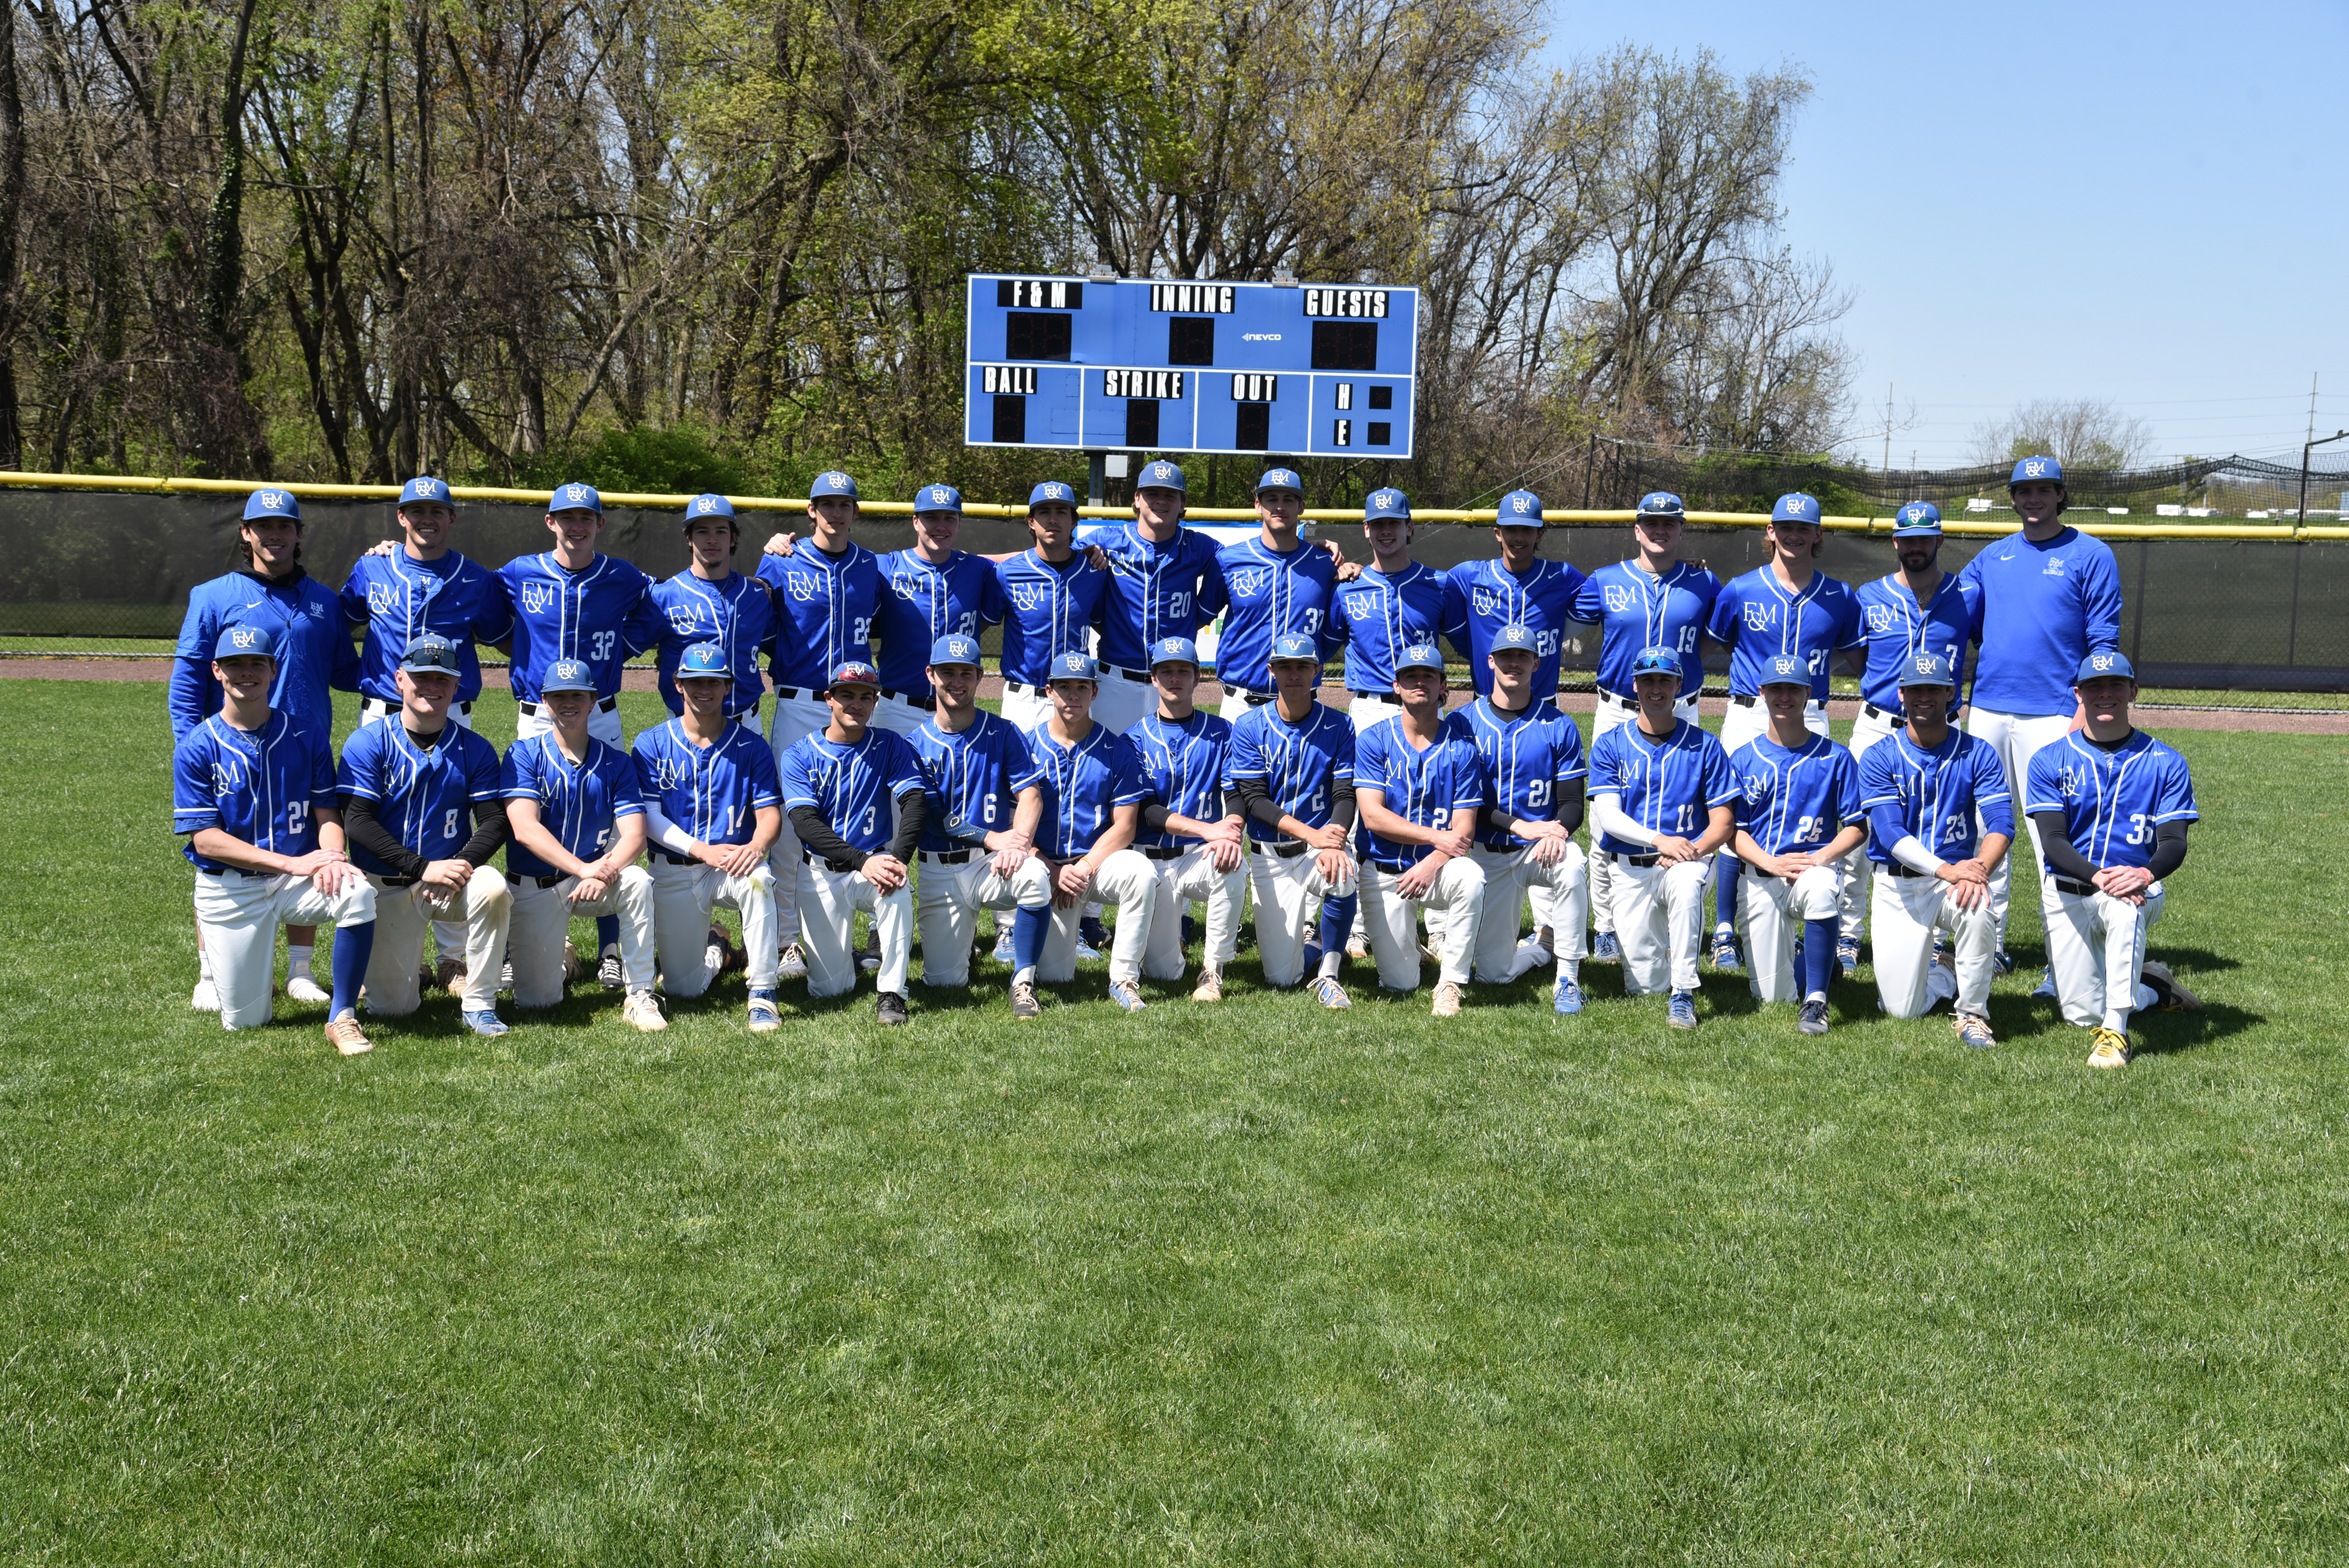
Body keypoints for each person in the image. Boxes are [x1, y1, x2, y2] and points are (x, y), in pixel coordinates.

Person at [172, 486, 362, 1010]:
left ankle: (301, 970)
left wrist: (411, 668)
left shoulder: (323, 600)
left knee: (306, 846)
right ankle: (210, 971)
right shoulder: (213, 594)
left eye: (285, 525)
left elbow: (347, 670)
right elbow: (189, 678)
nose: (275, 534)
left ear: (299, 533)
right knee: (219, 851)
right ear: (246, 533)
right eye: (264, 525)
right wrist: (191, 746)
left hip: (303, 747)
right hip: (232, 747)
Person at [342, 476, 518, 992]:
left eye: (436, 511)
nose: (426, 518)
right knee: (377, 815)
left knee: (456, 820)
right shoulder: (371, 566)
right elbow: (342, 620)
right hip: (381, 711)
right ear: (400, 517)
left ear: (451, 518)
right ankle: (389, 937)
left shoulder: (476, 578)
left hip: (451, 709)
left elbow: (507, 638)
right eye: (416, 510)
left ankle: (453, 957)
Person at [173, 623, 377, 1055]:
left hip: (294, 883)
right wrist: (293, 863)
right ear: (216, 670)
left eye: (256, 664)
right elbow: (206, 840)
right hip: (231, 888)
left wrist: (334, 855)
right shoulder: (197, 745)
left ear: (272, 668)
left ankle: (342, 1016)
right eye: (234, 664)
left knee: (357, 892)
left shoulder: (305, 733)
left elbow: (327, 811)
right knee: (247, 1020)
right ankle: (238, 978)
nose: (246, 672)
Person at [1960, 454, 2127, 969]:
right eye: (2023, 491)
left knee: (2051, 837)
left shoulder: (2091, 553)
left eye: (2044, 489)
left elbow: (2103, 640)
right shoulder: (1992, 557)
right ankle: (1993, 945)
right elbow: (1957, 617)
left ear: (2060, 495)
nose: (2033, 498)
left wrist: (2082, 706)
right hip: (1987, 708)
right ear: (2012, 499)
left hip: (2054, 711)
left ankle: (2066, 960)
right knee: (1988, 828)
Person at [1701, 491, 1864, 975]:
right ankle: (1726, 930)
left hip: (1811, 711)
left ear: (1818, 535)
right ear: (1769, 531)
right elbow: (1708, 645)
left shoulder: (1839, 595)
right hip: (1749, 711)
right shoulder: (1739, 589)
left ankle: (1812, 918)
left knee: (1811, 816)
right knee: (1735, 816)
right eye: (1784, 526)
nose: (1793, 534)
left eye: (1803, 527)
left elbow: (1861, 661)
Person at [2023, 651, 2202, 1069]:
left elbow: (2174, 841)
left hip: (2137, 886)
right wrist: (2098, 875)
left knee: (2125, 908)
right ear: (2079, 694)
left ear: (2132, 691)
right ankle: (2154, 986)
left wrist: (2143, 873)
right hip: (2068, 890)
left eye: (2115, 684)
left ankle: (2116, 1035)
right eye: (2094, 686)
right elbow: (2052, 840)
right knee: (2079, 1013)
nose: (2105, 693)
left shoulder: (2166, 762)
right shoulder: (2050, 759)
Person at [1570, 490, 1722, 964]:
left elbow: (1722, 631)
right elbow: (1568, 619)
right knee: (1604, 822)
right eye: (1650, 523)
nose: (1659, 530)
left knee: (1690, 815)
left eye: (1669, 523)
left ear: (1681, 530)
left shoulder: (1704, 583)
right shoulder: (1604, 580)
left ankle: (1679, 911)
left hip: (1685, 707)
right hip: (1618, 708)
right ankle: (1607, 925)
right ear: (1636, 529)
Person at [335, 634, 514, 1035]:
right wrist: (422, 868)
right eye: (421, 676)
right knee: (393, 1009)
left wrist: (461, 866)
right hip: (388, 885)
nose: (431, 686)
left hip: (449, 883)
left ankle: (480, 1004)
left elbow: (495, 821)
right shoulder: (368, 742)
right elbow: (357, 821)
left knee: (493, 887)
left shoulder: (475, 748)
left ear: (456, 685)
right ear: (400, 678)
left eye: (442, 678)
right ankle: (406, 969)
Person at [752, 471, 883, 981]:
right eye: (825, 504)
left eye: (843, 503)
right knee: (787, 824)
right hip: (799, 703)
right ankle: (788, 940)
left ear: (855, 511)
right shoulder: (780, 559)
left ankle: (873, 924)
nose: (835, 512)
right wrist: (771, 546)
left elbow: (951, 561)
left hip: (855, 705)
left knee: (866, 812)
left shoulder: (872, 565)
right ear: (810, 511)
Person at [1839, 500, 1978, 974]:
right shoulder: (1868, 596)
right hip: (1879, 723)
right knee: (1858, 829)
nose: (1915, 546)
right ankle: (1848, 933)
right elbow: (1861, 660)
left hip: (1944, 729)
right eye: (1907, 538)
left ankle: (1944, 934)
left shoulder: (1967, 595)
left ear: (1939, 540)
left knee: (1945, 826)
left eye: (1925, 537)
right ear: (1895, 542)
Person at [499, 657, 667, 1032]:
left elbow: (635, 835)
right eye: (559, 696)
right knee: (537, 1002)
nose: (568, 703)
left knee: (637, 881)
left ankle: (639, 993)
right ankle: (564, 960)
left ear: (593, 700)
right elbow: (525, 829)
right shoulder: (522, 754)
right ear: (544, 701)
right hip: (537, 885)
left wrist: (602, 872)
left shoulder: (616, 763)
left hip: (591, 882)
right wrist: (585, 868)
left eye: (577, 694)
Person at [1858, 652, 2010, 1046]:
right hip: (1898, 886)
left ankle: (1972, 1014)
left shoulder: (1978, 752)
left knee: (1978, 907)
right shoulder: (1879, 755)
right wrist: (1950, 870)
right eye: (1916, 689)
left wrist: (1978, 868)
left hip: (1953, 882)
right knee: (1900, 1010)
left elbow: (2001, 824)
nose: (1925, 696)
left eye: (1935, 689)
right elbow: (1889, 833)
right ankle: (1945, 970)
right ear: (1902, 695)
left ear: (1950, 695)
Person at [633, 643, 786, 1031]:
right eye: (695, 681)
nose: (705, 689)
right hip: (675, 867)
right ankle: (717, 948)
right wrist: (701, 850)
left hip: (731, 864)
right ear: (678, 685)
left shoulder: (751, 745)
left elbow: (769, 814)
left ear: (728, 686)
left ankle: (763, 993)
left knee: (759, 880)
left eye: (714, 682)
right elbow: (647, 816)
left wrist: (757, 846)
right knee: (685, 991)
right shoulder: (651, 743)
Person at [1586, 645, 1739, 1028]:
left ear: (1678, 685)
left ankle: (1684, 992)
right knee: (1644, 985)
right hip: (1629, 868)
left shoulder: (1705, 745)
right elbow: (1607, 816)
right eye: (1649, 679)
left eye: (1665, 680)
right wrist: (1660, 840)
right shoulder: (1611, 743)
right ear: (1635, 685)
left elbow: (1723, 823)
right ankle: (1666, 963)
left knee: (1686, 886)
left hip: (1687, 862)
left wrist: (1690, 852)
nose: (1657, 688)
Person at [906, 634, 1053, 1008]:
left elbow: (1031, 796)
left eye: (966, 673)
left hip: (992, 865)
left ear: (979, 677)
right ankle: (961, 949)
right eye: (947, 672)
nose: (956, 681)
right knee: (944, 984)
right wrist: (994, 838)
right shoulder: (913, 744)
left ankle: (1023, 982)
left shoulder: (1003, 732)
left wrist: (1018, 843)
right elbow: (934, 816)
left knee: (1035, 877)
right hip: (940, 867)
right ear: (930, 674)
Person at [778, 658, 926, 1023]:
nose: (856, 704)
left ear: (876, 702)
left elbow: (915, 802)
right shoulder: (799, 754)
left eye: (865, 696)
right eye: (847, 695)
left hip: (871, 869)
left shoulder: (889, 744)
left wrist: (897, 859)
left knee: (896, 890)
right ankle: (849, 960)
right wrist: (865, 861)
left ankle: (891, 993)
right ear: (829, 698)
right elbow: (804, 823)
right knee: (830, 989)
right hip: (820, 873)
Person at [1454, 625, 1591, 1011]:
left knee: (1572, 864)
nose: (1514, 662)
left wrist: (1558, 830)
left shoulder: (1558, 724)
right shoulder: (1463, 723)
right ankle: (1540, 948)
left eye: (1523, 656)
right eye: (1507, 655)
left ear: (1536, 663)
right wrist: (1520, 825)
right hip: (1487, 853)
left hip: (1538, 849)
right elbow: (1464, 802)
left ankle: (1568, 978)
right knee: (1493, 974)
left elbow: (1572, 803)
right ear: (1491, 661)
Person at [1727, 654, 1866, 1036]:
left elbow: (1856, 826)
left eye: (1793, 688)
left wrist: (1818, 860)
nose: (1784, 696)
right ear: (1762, 693)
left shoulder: (1836, 757)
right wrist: (1771, 863)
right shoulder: (1742, 758)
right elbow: (1733, 832)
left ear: (1808, 693)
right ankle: (1818, 962)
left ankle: (1817, 1000)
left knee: (1822, 890)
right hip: (1761, 875)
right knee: (1772, 997)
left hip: (1811, 868)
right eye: (1776, 688)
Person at [1352, 642, 1487, 1014]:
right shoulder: (1374, 739)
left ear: (1444, 685)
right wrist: (1434, 838)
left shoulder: (1461, 748)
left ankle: (1450, 983)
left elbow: (1464, 830)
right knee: (1400, 984)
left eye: (1429, 675)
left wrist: (1431, 862)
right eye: (1410, 675)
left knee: (1472, 878)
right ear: (1396, 686)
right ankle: (1409, 947)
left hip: (1438, 868)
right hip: (1385, 871)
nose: (1419, 682)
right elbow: (1373, 818)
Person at [1225, 633, 1359, 1005]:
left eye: (1303, 666)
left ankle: (1329, 973)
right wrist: (1315, 835)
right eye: (1286, 665)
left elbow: (1344, 794)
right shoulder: (1249, 725)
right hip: (1270, 855)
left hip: (1318, 849)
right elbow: (1253, 799)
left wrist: (1334, 839)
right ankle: (1319, 944)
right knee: (1281, 977)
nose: (1294, 673)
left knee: (1343, 872)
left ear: (1317, 671)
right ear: (1272, 670)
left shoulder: (1339, 725)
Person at [1025, 652, 1160, 1010]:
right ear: (1049, 691)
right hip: (1046, 871)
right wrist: (1054, 872)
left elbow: (1126, 827)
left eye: (1081, 687)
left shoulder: (1116, 749)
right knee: (1057, 977)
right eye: (1064, 687)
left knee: (1141, 873)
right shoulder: (1025, 746)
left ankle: (1124, 978)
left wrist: (1083, 868)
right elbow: (1014, 829)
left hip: (1095, 867)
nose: (1073, 696)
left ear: (1094, 692)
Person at [498, 482, 666, 748]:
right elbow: (482, 597)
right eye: (567, 517)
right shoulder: (521, 571)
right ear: (550, 521)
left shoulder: (619, 575)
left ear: (600, 523)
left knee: (607, 788)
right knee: (536, 789)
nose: (577, 526)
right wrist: (508, 641)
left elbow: (663, 599)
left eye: (586, 518)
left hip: (599, 710)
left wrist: (624, 646)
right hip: (539, 712)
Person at [1130, 636, 1249, 1001]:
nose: (1174, 678)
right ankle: (1170, 944)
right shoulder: (1133, 738)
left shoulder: (1222, 732)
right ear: (1153, 678)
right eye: (1166, 671)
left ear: (1198, 678)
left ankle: (1212, 970)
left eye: (1184, 670)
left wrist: (1230, 831)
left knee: (1232, 863)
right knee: (1162, 973)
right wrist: (1208, 829)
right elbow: (1145, 811)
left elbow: (1236, 793)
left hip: (1198, 856)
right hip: (1150, 864)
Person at [1088, 460, 1229, 734]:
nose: (1160, 501)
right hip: (1115, 682)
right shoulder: (1107, 541)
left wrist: (1315, 552)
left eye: (1170, 494)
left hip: (1171, 684)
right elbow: (1051, 555)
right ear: (1137, 499)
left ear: (1182, 503)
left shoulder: (1199, 546)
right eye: (1152, 493)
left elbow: (1244, 560)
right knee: (1113, 769)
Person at [868, 485, 1008, 736]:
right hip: (896, 709)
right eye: (931, 517)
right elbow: (834, 556)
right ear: (915, 521)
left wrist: (1079, 552)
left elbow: (1027, 560)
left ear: (958, 523)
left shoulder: (977, 569)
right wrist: (784, 543)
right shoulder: (886, 567)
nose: (940, 526)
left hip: (957, 711)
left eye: (949, 518)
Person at [1210, 469, 1340, 719]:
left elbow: (1335, 632)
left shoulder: (1325, 565)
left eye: (1288, 499)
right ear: (1258, 504)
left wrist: (1346, 566)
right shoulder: (1228, 560)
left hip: (1302, 704)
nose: (1279, 506)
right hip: (1240, 702)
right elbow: (1198, 615)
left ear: (1301, 506)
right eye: (1271, 498)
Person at [653, 493, 778, 737]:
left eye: (721, 531)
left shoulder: (755, 596)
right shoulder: (664, 595)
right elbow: (625, 645)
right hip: (684, 725)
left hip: (746, 723)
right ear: (689, 538)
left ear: (733, 538)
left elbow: (777, 645)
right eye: (702, 531)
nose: (712, 539)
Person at [995, 480, 1111, 734]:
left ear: (1074, 521)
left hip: (1074, 698)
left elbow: (1104, 624)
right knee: (1018, 773)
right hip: (1023, 699)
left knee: (1076, 773)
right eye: (1044, 512)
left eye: (1061, 512)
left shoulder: (1093, 572)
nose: (1053, 519)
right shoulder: (1008, 572)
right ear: (1031, 521)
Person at [1328, 487, 1444, 733]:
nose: (1386, 530)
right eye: (1378, 523)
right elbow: (1326, 646)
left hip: (1425, 704)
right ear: (1366, 529)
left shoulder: (1438, 584)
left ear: (1409, 527)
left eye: (1394, 522)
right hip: (1369, 708)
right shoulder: (1346, 587)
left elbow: (1467, 642)